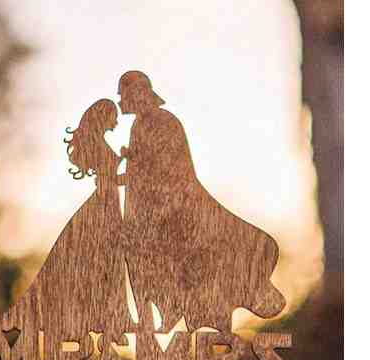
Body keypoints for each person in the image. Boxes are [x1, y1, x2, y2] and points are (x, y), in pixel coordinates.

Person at [118, 71, 286, 333]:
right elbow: (141, 171)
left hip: (173, 210)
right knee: (150, 262)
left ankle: (183, 313)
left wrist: (138, 163)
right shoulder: (139, 125)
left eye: (124, 95)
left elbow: (169, 167)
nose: (121, 102)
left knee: (177, 265)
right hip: (151, 211)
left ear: (138, 95)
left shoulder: (164, 122)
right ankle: (164, 316)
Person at [0, 99, 132, 360]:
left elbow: (112, 177)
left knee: (107, 269)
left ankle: (105, 334)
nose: (116, 121)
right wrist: (132, 167)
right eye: (113, 116)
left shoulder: (100, 143)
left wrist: (126, 164)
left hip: (107, 206)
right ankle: (98, 332)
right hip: (104, 209)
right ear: (103, 117)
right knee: (102, 269)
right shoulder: (99, 145)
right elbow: (110, 180)